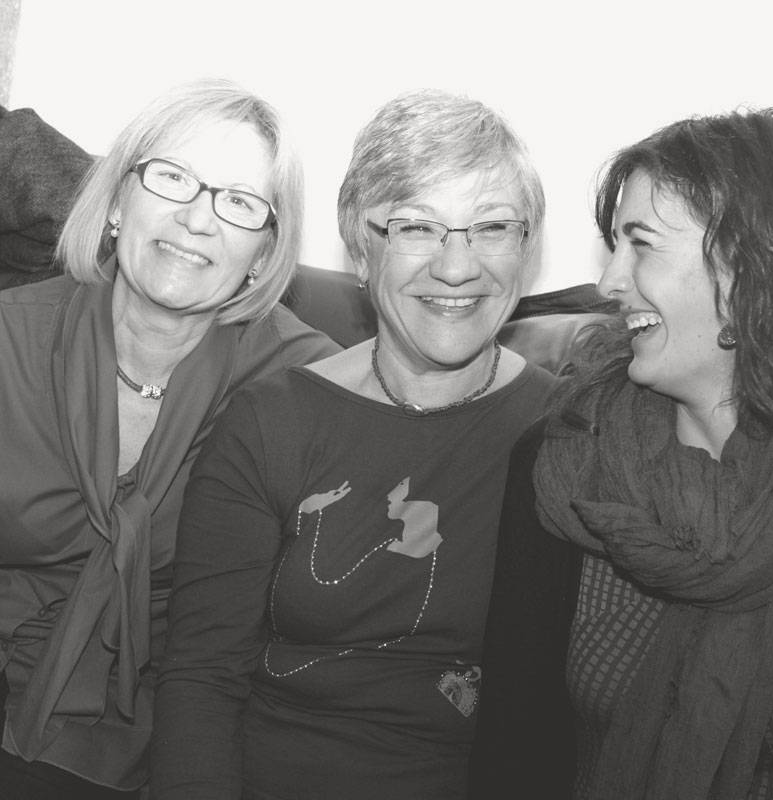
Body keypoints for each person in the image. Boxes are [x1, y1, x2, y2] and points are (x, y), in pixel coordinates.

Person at [473, 109, 773, 799]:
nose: (609, 283)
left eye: (641, 244)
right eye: (614, 246)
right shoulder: (561, 463)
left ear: (755, 274)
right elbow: (510, 753)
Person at [151, 90, 558, 798]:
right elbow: (202, 679)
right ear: (361, 249)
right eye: (416, 227)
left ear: (525, 250)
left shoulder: (566, 431)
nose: (456, 267)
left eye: (492, 227)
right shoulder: (271, 422)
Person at [0, 79, 338, 798]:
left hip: (168, 728)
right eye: (173, 178)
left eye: (238, 201)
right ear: (117, 203)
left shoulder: (303, 387)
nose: (196, 219)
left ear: (264, 252)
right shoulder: (10, 341)